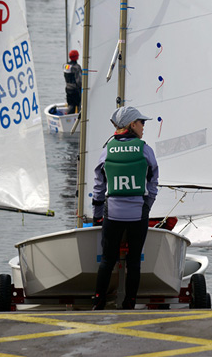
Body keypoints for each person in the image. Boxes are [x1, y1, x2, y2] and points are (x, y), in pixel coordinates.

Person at [91, 106, 159, 310]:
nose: (144, 127)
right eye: (142, 122)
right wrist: (146, 207)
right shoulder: (145, 149)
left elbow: (98, 187)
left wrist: (97, 217)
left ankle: (98, 301)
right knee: (134, 262)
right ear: (132, 125)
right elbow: (153, 183)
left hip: (113, 215)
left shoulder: (107, 150)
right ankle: (129, 303)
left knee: (107, 261)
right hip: (138, 216)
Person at [63, 50, 82, 114]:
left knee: (71, 105)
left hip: (68, 88)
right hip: (75, 90)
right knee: (79, 105)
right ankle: (79, 120)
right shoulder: (77, 67)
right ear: (77, 57)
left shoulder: (66, 66)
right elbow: (79, 81)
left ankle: (68, 117)